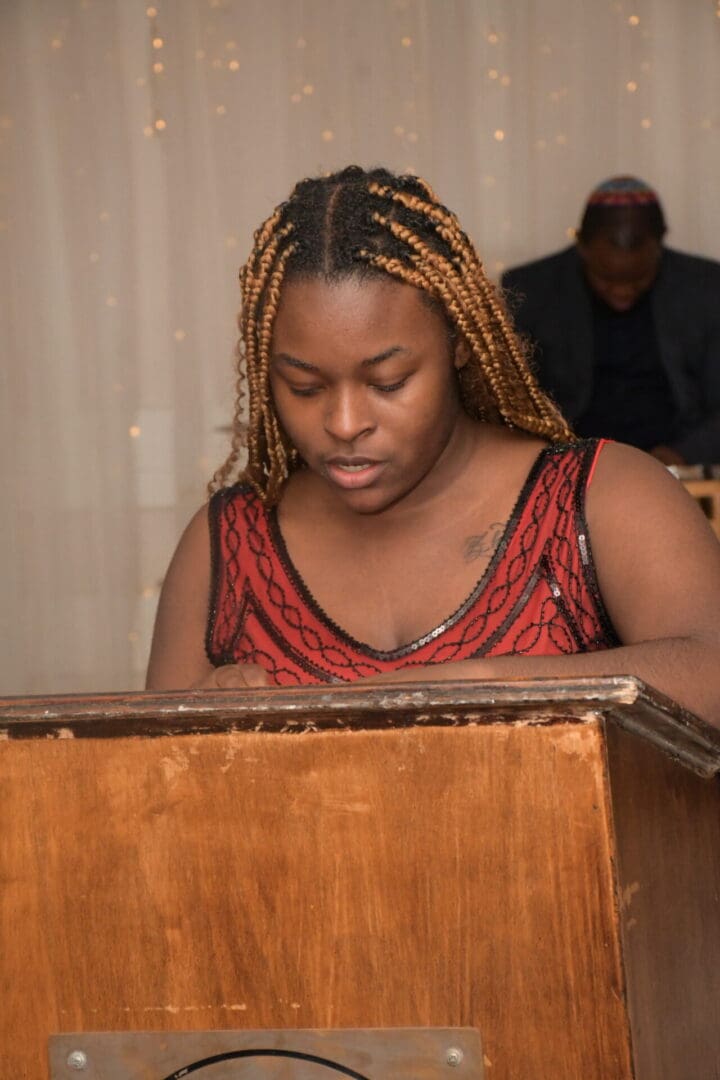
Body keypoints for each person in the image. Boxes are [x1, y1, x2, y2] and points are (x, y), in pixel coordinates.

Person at [146, 165, 720, 724]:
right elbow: (148, 792)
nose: (344, 423)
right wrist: (204, 726)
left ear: (459, 344)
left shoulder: (605, 497)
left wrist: (479, 683)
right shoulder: (224, 546)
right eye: (305, 386)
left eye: (388, 382)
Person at [501, 176, 720, 466]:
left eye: (639, 279)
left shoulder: (706, 287)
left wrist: (682, 455)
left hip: (675, 461)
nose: (622, 292)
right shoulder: (529, 290)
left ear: (660, 243)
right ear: (581, 245)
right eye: (605, 279)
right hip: (567, 461)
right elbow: (511, 401)